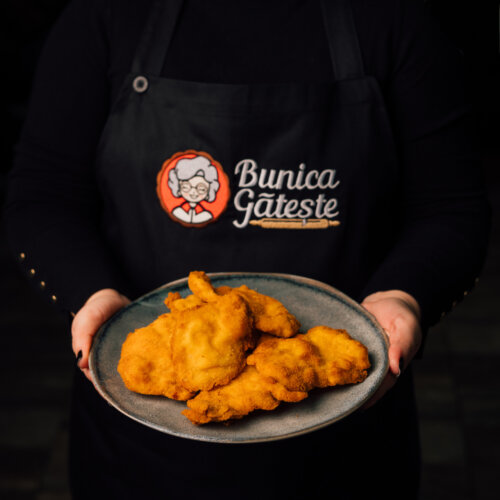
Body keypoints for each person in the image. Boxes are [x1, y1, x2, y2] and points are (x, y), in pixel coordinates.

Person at [5, 0, 490, 498]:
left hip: (350, 442)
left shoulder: (393, 19)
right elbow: (43, 197)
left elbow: (451, 207)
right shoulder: (106, 15)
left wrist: (404, 295)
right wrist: (90, 293)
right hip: (139, 451)